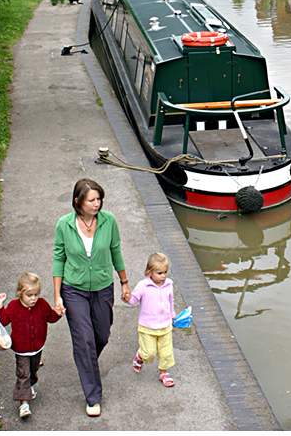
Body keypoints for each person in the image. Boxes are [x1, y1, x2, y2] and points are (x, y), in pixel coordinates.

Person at [53, 178, 130, 417]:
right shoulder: (64, 225)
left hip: (103, 286)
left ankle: (85, 360)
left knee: (102, 335)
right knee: (84, 339)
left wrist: (124, 282)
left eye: (99, 199)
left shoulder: (109, 221)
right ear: (78, 202)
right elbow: (58, 259)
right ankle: (93, 396)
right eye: (92, 200)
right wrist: (57, 297)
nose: (97, 204)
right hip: (73, 289)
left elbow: (115, 250)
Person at [0, 272, 63, 419]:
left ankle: (29, 386)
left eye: (35, 295)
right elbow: (4, 320)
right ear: (20, 294)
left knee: (33, 371)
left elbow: (50, 318)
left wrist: (58, 313)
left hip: (37, 347)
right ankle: (24, 403)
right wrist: (0, 306)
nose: (33, 299)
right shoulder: (14, 306)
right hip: (21, 349)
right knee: (23, 373)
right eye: (29, 295)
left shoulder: (42, 305)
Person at [126, 252, 176, 387]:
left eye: (165, 272)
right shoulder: (143, 286)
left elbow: (170, 301)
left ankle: (163, 373)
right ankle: (141, 356)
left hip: (165, 325)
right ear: (149, 272)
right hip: (147, 326)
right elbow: (134, 299)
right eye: (160, 273)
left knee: (165, 352)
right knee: (149, 353)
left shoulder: (168, 285)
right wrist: (128, 297)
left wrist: (172, 314)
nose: (163, 276)